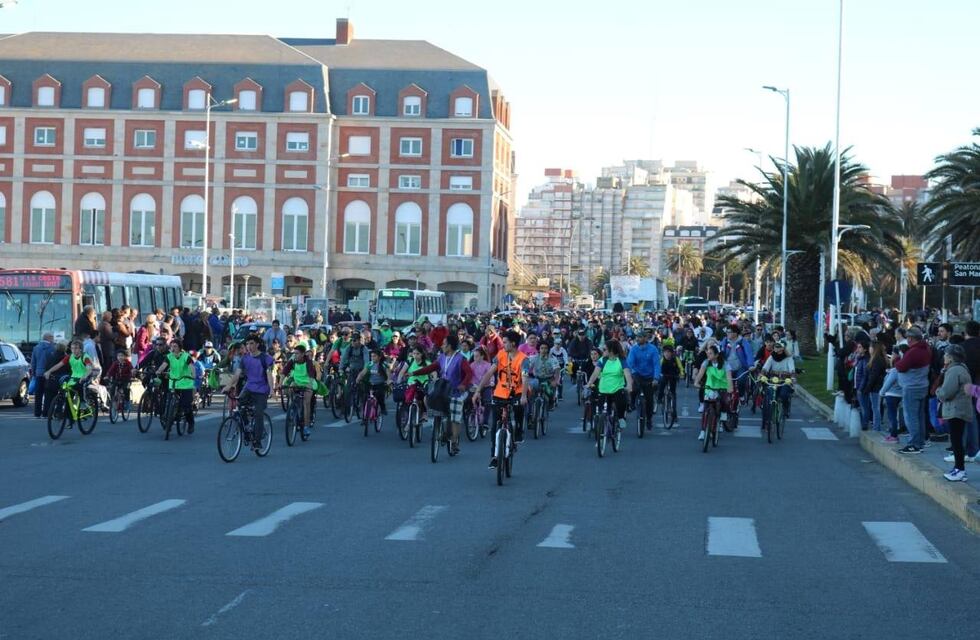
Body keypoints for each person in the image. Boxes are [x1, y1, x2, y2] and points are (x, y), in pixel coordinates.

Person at [408, 335, 473, 454]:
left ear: (450, 346)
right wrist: (414, 373)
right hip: (442, 389)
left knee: (455, 418)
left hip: (455, 392)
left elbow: (469, 373)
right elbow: (431, 367)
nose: (442, 346)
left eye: (444, 344)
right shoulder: (442, 357)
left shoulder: (460, 359)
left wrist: (463, 384)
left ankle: (454, 442)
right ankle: (438, 424)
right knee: (428, 398)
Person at [475, 330, 528, 467]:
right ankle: (494, 456)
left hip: (517, 391)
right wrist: (478, 390)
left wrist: (523, 395)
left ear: (513, 343)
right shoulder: (500, 355)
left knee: (519, 408)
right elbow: (489, 373)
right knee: (495, 426)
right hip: (500, 392)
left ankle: (518, 432)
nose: (502, 345)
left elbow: (525, 377)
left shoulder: (524, 359)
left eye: (505, 342)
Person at [221, 336, 275, 447]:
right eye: (247, 344)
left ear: (257, 345)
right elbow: (237, 374)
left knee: (258, 413)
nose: (249, 346)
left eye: (251, 343)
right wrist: (228, 386)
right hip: (249, 387)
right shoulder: (245, 359)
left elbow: (269, 375)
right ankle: (246, 427)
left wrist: (272, 389)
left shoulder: (265, 358)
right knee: (239, 405)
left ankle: (257, 441)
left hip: (262, 389)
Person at [936, 344, 972, 481]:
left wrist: (938, 391)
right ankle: (958, 469)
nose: (944, 357)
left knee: (956, 441)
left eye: (945, 355)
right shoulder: (961, 368)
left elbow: (946, 392)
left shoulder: (954, 370)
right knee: (957, 440)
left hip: (956, 409)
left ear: (950, 357)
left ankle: (960, 470)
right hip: (960, 408)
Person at [895, 326, 932, 454]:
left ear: (911, 338)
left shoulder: (913, 352)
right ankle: (920, 442)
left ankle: (914, 444)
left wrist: (896, 359)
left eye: (908, 338)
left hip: (912, 387)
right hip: (923, 386)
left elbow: (901, 367)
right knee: (920, 416)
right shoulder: (926, 349)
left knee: (911, 417)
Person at [586, 338, 634, 436]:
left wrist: (629, 385)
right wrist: (589, 382)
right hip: (604, 388)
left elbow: (627, 373)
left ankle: (621, 418)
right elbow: (595, 373)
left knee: (621, 402)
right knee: (601, 410)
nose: (602, 351)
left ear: (611, 351)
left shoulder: (621, 360)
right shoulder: (602, 360)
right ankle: (604, 425)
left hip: (617, 388)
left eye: (604, 349)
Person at [155, 339, 197, 434]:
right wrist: (159, 371)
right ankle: (169, 421)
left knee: (186, 405)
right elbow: (164, 365)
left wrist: (193, 374)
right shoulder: (169, 356)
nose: (173, 348)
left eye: (175, 346)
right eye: (171, 346)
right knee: (169, 402)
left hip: (185, 383)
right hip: (173, 382)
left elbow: (192, 367)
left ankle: (191, 423)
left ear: (180, 348)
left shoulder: (186, 356)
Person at [44, 340, 96, 413]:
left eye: (76, 348)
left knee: (81, 386)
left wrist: (84, 376)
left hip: (85, 376)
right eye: (72, 348)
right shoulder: (69, 356)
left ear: (80, 349)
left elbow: (89, 368)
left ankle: (83, 403)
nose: (74, 350)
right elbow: (59, 365)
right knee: (66, 389)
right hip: (74, 377)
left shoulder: (85, 357)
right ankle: (67, 413)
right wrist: (49, 371)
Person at [693, 344, 733, 441]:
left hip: (722, 387)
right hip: (709, 388)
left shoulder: (725, 364)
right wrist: (696, 382)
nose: (708, 354)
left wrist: (730, 388)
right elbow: (700, 373)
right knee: (706, 409)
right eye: (708, 353)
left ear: (716, 355)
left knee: (725, 401)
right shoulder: (706, 362)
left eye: (710, 353)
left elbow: (729, 377)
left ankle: (723, 413)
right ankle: (703, 431)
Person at [625, 329, 661, 430]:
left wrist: (656, 378)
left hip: (649, 376)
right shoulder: (634, 349)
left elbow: (656, 364)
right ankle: (632, 403)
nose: (638, 339)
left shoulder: (653, 349)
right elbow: (630, 363)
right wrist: (628, 374)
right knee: (634, 387)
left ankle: (649, 419)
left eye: (640, 337)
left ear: (645, 338)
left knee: (649, 400)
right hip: (637, 373)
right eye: (637, 337)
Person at [282, 343, 318, 437]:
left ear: (302, 354)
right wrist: (280, 384)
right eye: (294, 353)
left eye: (297, 353)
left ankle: (306, 426)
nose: (295, 355)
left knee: (306, 403)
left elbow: (311, 375)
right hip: (297, 382)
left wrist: (309, 385)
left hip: (308, 383)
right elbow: (284, 372)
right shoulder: (293, 360)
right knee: (289, 389)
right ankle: (292, 408)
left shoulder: (308, 361)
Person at [760, 340, 796, 432]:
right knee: (768, 398)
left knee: (784, 395)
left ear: (783, 348)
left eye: (779, 347)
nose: (776, 348)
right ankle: (767, 421)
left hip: (785, 380)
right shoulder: (772, 357)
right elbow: (765, 367)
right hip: (773, 380)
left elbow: (792, 369)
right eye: (775, 346)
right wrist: (761, 374)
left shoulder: (788, 358)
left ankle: (785, 408)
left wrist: (792, 377)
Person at [524, 341, 561, 411]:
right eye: (542, 348)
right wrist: (524, 377)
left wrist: (556, 381)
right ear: (539, 349)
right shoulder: (534, 358)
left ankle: (551, 403)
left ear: (548, 349)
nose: (544, 350)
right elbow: (526, 367)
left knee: (550, 392)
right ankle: (529, 409)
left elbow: (557, 369)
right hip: (537, 379)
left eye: (546, 348)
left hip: (549, 379)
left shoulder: (552, 358)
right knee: (529, 392)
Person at [356, 349, 391, 420]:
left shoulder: (384, 364)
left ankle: (383, 408)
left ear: (379, 357)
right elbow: (363, 372)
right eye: (371, 356)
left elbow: (388, 373)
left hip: (380, 384)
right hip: (370, 384)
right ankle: (364, 417)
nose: (372, 358)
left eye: (374, 356)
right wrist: (358, 378)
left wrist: (388, 380)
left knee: (380, 397)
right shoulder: (370, 364)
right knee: (365, 399)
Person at [31, 332, 55, 418]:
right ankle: (46, 413)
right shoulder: (52, 348)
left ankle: (37, 413)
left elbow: (33, 362)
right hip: (49, 374)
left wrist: (34, 373)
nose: (53, 339)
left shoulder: (36, 348)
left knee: (38, 394)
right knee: (48, 394)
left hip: (38, 373)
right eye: (52, 337)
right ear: (49, 338)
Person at [657, 344, 683, 408]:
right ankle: (659, 398)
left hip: (673, 375)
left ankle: (674, 409)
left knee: (673, 391)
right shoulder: (662, 360)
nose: (666, 354)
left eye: (668, 352)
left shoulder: (676, 359)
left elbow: (680, 367)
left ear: (671, 353)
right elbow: (658, 368)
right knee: (661, 385)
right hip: (664, 375)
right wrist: (658, 375)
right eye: (665, 352)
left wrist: (682, 374)